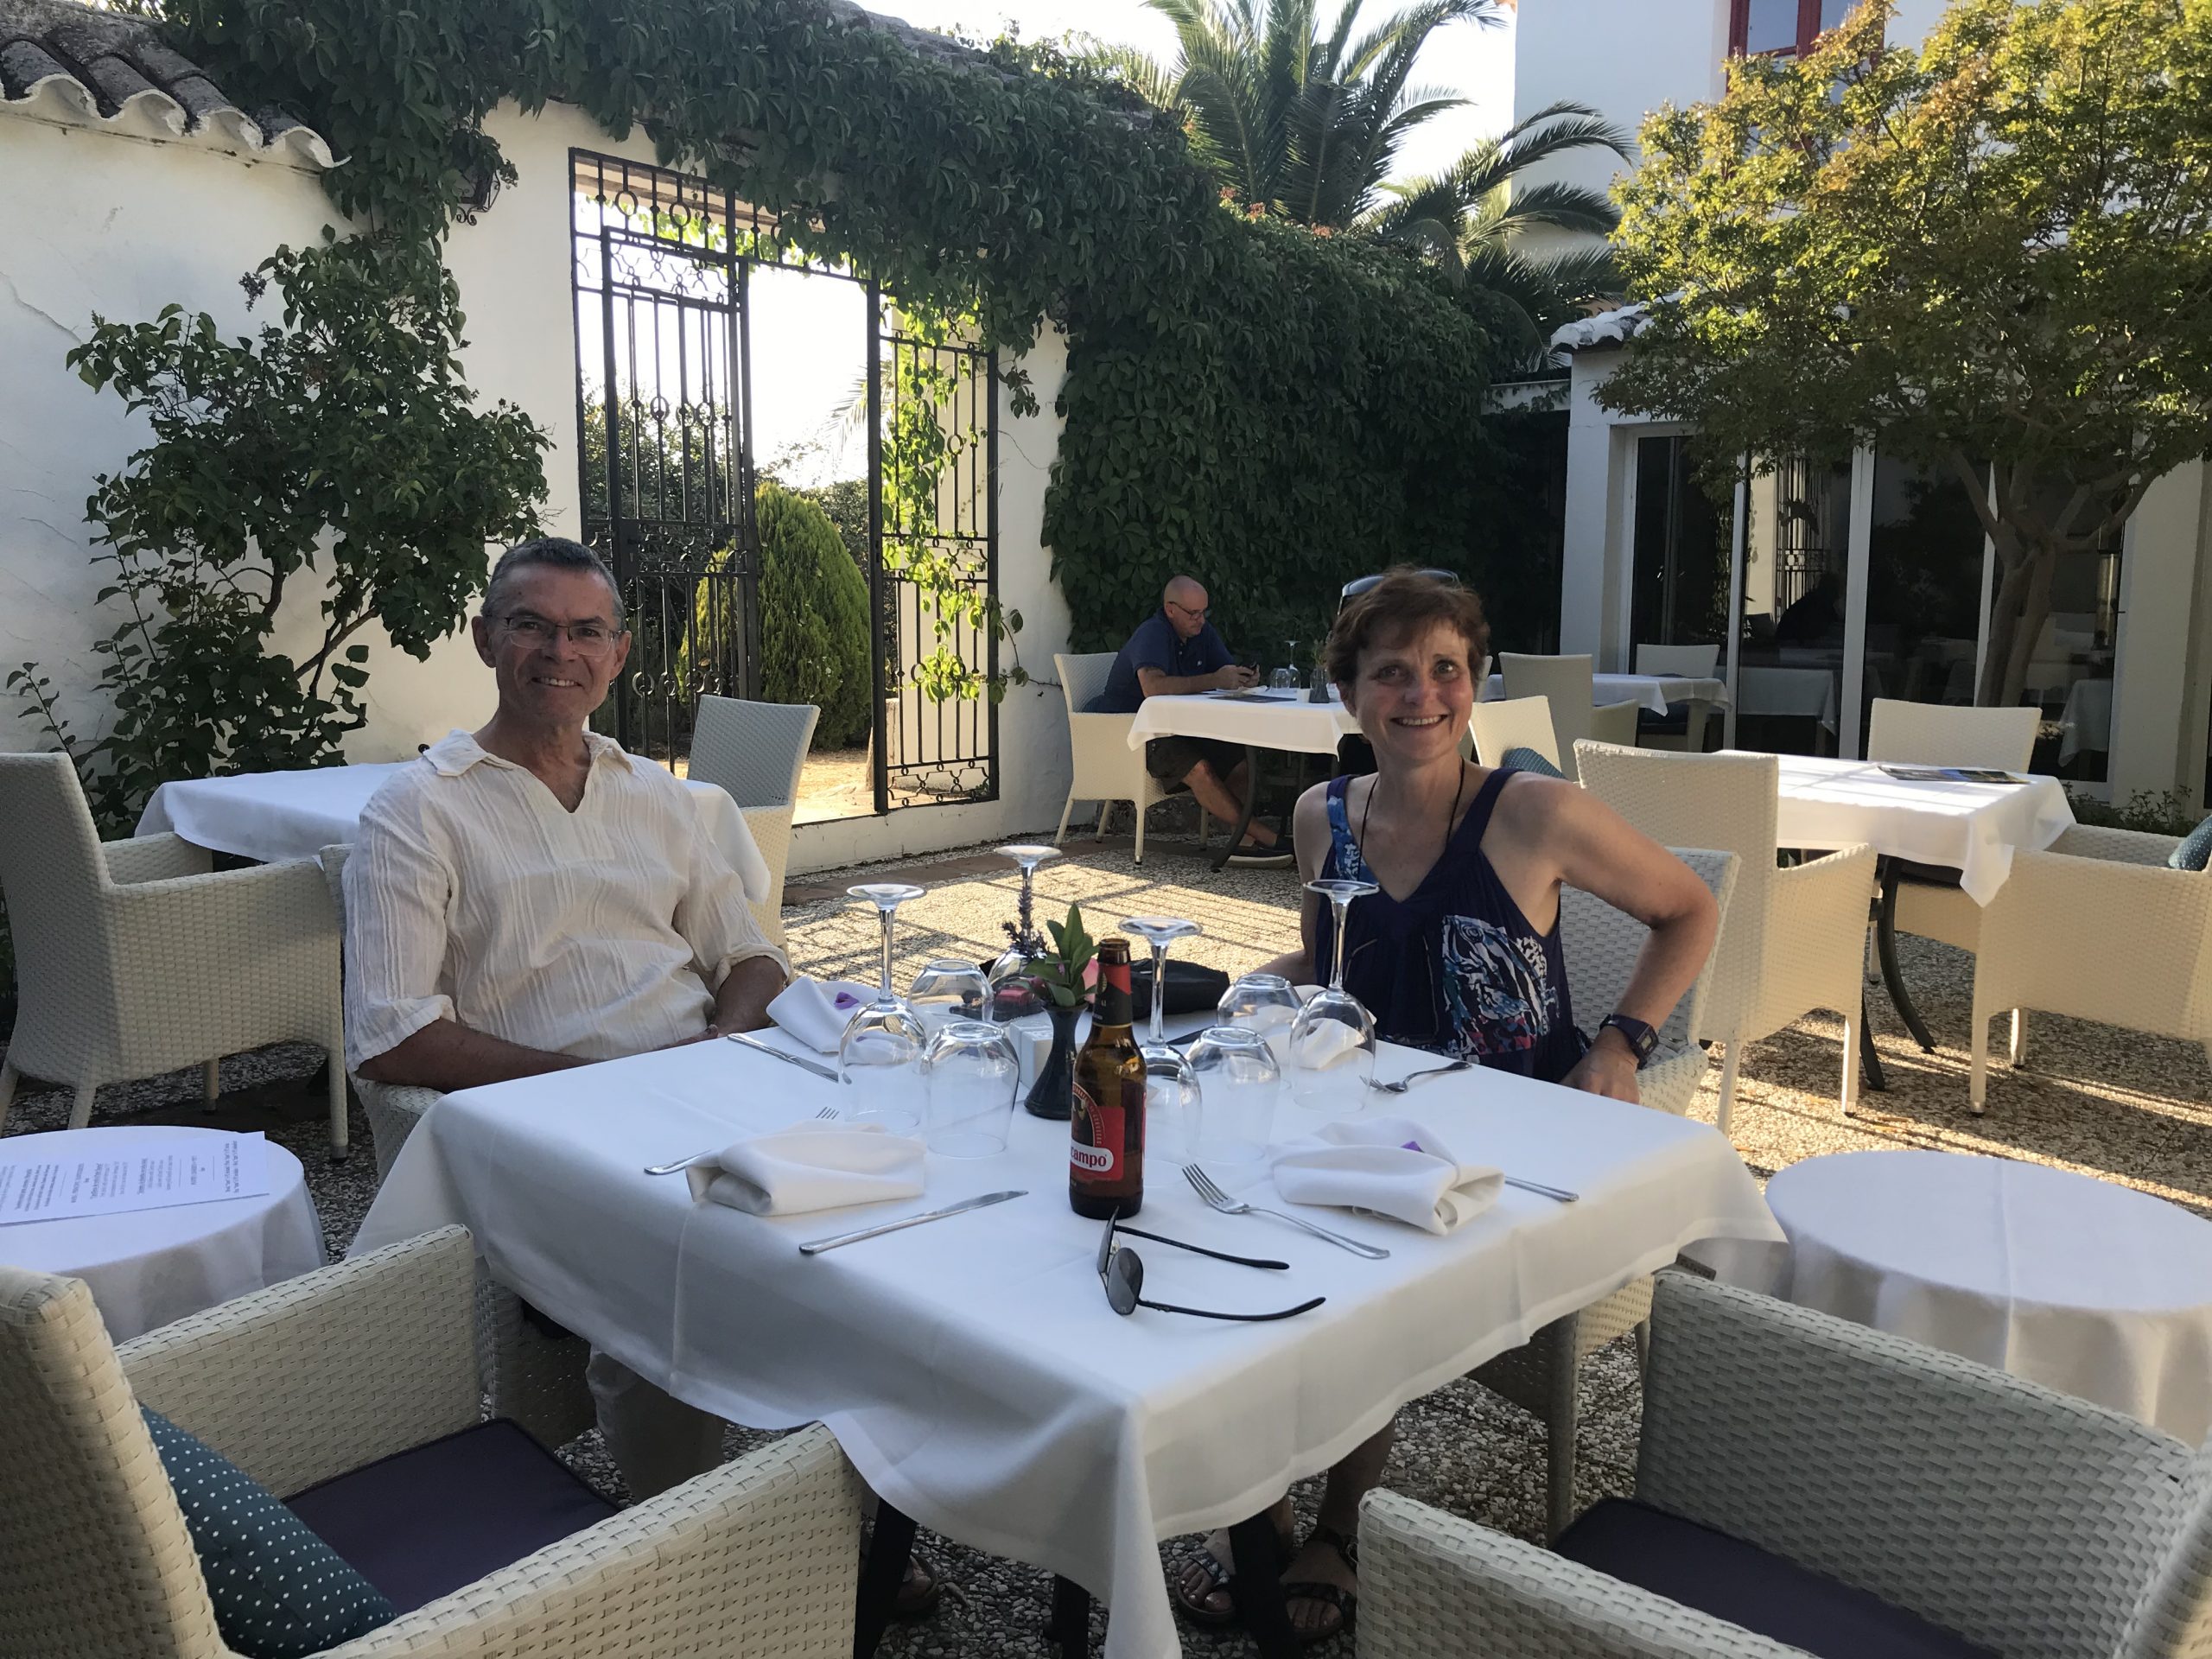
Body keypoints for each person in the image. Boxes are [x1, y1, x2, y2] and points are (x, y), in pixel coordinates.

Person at [1172, 567, 1718, 1643]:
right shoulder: (1320, 816)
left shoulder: (1534, 813)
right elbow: (1329, 963)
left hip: (1501, 1144)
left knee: (1350, 1267)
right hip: (1350, 1107)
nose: (1420, 695)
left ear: (1474, 683)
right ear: (1349, 695)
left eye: (1445, 669)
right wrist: (1227, 999)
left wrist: (1623, 1042)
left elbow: (1688, 911)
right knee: (1218, 1211)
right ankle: (1259, 1509)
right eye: (1390, 673)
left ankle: (1339, 1524)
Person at [343, 537, 788, 1503]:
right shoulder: (418, 812)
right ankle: (677, 1528)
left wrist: (719, 1048)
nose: (560, 651)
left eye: (586, 631)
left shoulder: (658, 795)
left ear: (618, 654)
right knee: (675, 1259)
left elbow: (753, 959)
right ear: (485, 639)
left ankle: (852, 1498)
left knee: (865, 1223)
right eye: (531, 626)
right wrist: (599, 1087)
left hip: (703, 1086)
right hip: (553, 1121)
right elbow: (391, 1036)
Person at [1092, 575, 1281, 857]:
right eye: (1193, 613)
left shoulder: (1201, 633)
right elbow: (1153, 687)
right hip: (1137, 731)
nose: (1200, 620)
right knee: (1200, 769)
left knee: (1239, 761)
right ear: (1170, 610)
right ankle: (1267, 837)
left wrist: (1241, 678)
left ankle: (1242, 844)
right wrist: (1215, 679)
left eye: (1203, 612)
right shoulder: (1153, 634)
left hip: (1182, 727)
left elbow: (1223, 672)